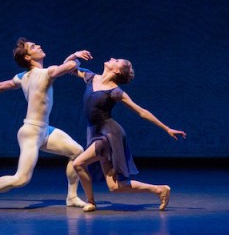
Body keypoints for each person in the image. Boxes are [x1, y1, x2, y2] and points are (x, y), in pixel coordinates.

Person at [0, 38, 92, 210]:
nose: (39, 46)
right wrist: (74, 56)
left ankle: (72, 197)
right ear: (28, 57)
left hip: (45, 130)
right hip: (31, 132)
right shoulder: (45, 73)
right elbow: (69, 67)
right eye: (34, 47)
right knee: (21, 179)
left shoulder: (23, 77)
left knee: (77, 153)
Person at [72, 58, 186, 212]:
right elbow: (69, 67)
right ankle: (160, 189)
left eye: (117, 60)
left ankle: (91, 202)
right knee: (115, 187)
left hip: (109, 134)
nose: (112, 58)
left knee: (78, 163)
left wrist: (166, 128)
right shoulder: (91, 77)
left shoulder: (115, 91)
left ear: (117, 70)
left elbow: (141, 111)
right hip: (94, 131)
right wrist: (74, 55)